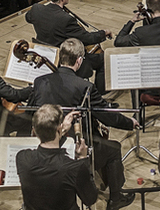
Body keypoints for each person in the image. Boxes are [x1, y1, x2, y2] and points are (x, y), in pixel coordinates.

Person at [30, 38, 137, 210]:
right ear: (79, 61)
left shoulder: (40, 82)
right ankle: (116, 198)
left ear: (60, 56)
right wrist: (129, 123)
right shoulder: (84, 86)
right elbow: (105, 116)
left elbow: (31, 111)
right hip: (74, 145)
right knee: (114, 148)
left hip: (44, 142)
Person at [25, 0, 110, 90]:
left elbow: (28, 18)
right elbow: (88, 38)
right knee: (105, 59)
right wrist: (103, 33)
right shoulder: (66, 19)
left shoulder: (36, 9)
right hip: (64, 60)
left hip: (45, 54)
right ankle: (98, 96)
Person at [16, 104, 97, 210]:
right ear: (59, 129)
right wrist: (83, 158)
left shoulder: (22, 157)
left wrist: (60, 131)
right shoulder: (74, 168)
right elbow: (90, 199)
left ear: (34, 131)